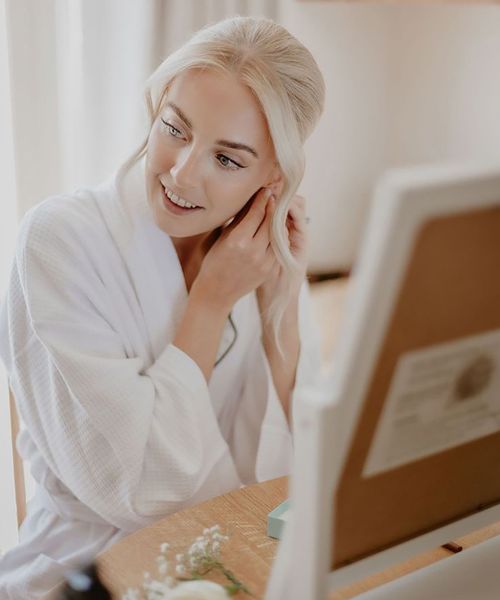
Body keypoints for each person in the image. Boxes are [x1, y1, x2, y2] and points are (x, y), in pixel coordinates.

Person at [0, 15, 325, 599]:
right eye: (174, 128)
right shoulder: (58, 241)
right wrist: (209, 303)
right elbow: (139, 488)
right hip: (86, 572)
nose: (180, 171)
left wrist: (282, 301)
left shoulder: (254, 254)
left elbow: (294, 479)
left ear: (273, 176)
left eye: (227, 160)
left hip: (234, 555)